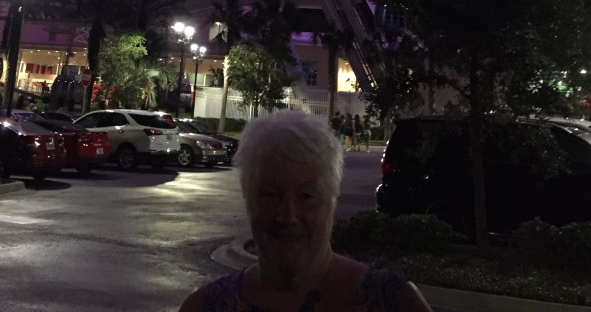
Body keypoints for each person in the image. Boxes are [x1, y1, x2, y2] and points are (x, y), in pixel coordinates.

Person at [177, 110, 432, 312]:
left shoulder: (394, 303)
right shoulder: (204, 306)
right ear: (247, 198)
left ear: (332, 198)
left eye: (306, 196)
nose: (287, 215)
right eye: (270, 195)